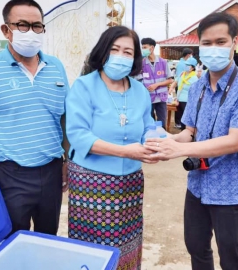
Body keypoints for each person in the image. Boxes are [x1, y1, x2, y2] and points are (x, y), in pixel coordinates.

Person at [145, 12, 238, 270]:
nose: (213, 49)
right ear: (199, 45)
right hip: (198, 186)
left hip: (231, 191)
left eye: (221, 42)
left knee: (231, 257)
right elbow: (189, 131)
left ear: (235, 42)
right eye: (207, 43)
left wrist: (179, 149)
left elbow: (235, 142)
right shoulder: (199, 85)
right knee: (196, 247)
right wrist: (163, 140)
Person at [0, 0, 70, 235]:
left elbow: (64, 118)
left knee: (48, 236)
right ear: (6, 30)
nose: (31, 32)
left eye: (37, 26)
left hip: (52, 170)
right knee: (12, 238)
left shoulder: (56, 67)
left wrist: (66, 161)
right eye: (22, 25)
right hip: (11, 175)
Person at [66, 26, 157, 269]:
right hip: (91, 182)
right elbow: (78, 135)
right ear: (103, 52)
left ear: (135, 58)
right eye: (114, 49)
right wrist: (126, 151)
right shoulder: (84, 86)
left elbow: (149, 126)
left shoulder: (140, 91)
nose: (120, 56)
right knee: (93, 243)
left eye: (128, 52)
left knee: (127, 239)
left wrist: (158, 142)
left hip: (130, 181)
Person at [141, 37, 174, 129]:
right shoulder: (141, 63)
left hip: (161, 98)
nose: (143, 50)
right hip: (148, 98)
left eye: (144, 47)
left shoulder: (163, 62)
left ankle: (163, 138)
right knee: (149, 122)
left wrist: (157, 84)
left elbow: (170, 80)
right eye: (142, 47)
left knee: (162, 122)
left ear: (151, 48)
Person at [168, 57, 198, 130]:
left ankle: (186, 130)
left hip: (187, 101)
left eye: (188, 65)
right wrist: (171, 88)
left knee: (186, 117)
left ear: (192, 67)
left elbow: (196, 91)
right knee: (180, 115)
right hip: (179, 99)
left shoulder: (195, 77)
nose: (186, 66)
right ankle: (182, 129)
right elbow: (176, 82)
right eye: (186, 64)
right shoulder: (182, 74)